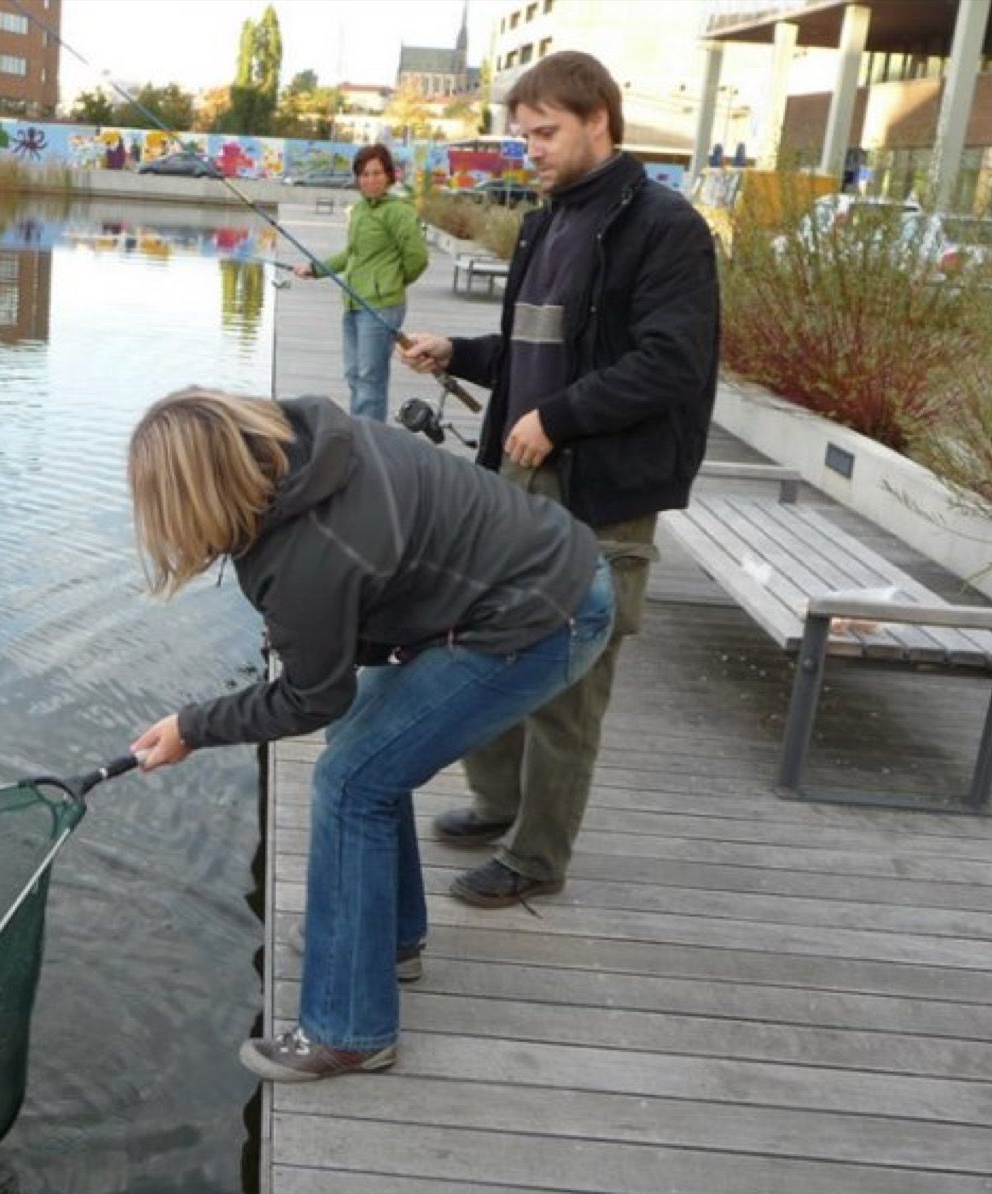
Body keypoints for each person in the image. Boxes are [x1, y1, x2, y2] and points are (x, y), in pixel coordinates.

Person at [126, 388, 614, 1082]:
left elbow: (312, 698)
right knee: (369, 745)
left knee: (351, 779)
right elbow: (352, 625)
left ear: (195, 495)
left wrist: (192, 727)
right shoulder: (306, 444)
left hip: (545, 614)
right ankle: (388, 941)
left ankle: (349, 1029)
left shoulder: (306, 551)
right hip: (542, 569)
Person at [399, 50, 720, 908]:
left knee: (571, 676)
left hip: (600, 490)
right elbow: (538, 353)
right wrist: (459, 352)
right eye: (524, 134)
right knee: (479, 635)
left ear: (599, 123)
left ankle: (538, 856)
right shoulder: (547, 222)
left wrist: (559, 419)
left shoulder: (664, 227)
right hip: (515, 472)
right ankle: (497, 800)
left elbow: (672, 365)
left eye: (546, 133)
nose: (530, 149)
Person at [293, 144, 427, 424]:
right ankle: (358, 433)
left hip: (381, 308)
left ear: (389, 176)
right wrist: (315, 269)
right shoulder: (359, 211)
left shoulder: (399, 212)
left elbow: (417, 258)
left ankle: (369, 443)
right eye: (364, 174)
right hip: (354, 302)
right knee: (354, 375)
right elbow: (351, 255)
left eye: (377, 173)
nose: (370, 180)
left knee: (370, 380)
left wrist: (391, 282)